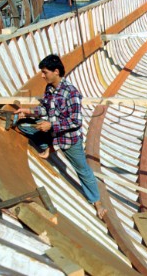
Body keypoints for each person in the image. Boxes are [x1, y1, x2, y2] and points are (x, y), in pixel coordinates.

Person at [15, 54, 107, 220]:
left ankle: (97, 201)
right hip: (52, 133)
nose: (42, 76)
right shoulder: (49, 89)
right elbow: (44, 109)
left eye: (44, 72)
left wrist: (51, 125)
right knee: (23, 125)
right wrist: (28, 111)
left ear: (56, 71)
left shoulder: (71, 93)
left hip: (68, 140)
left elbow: (76, 122)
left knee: (83, 171)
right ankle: (49, 146)